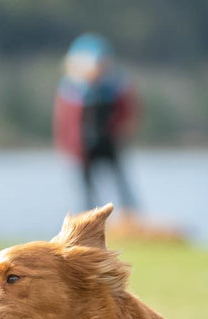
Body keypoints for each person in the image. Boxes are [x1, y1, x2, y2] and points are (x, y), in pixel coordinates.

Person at [53, 34, 138, 212]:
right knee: (86, 191)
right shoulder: (71, 91)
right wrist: (68, 148)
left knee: (121, 185)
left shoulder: (114, 88)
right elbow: (64, 124)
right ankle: (89, 221)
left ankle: (130, 216)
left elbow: (127, 114)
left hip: (108, 142)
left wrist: (121, 131)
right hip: (82, 148)